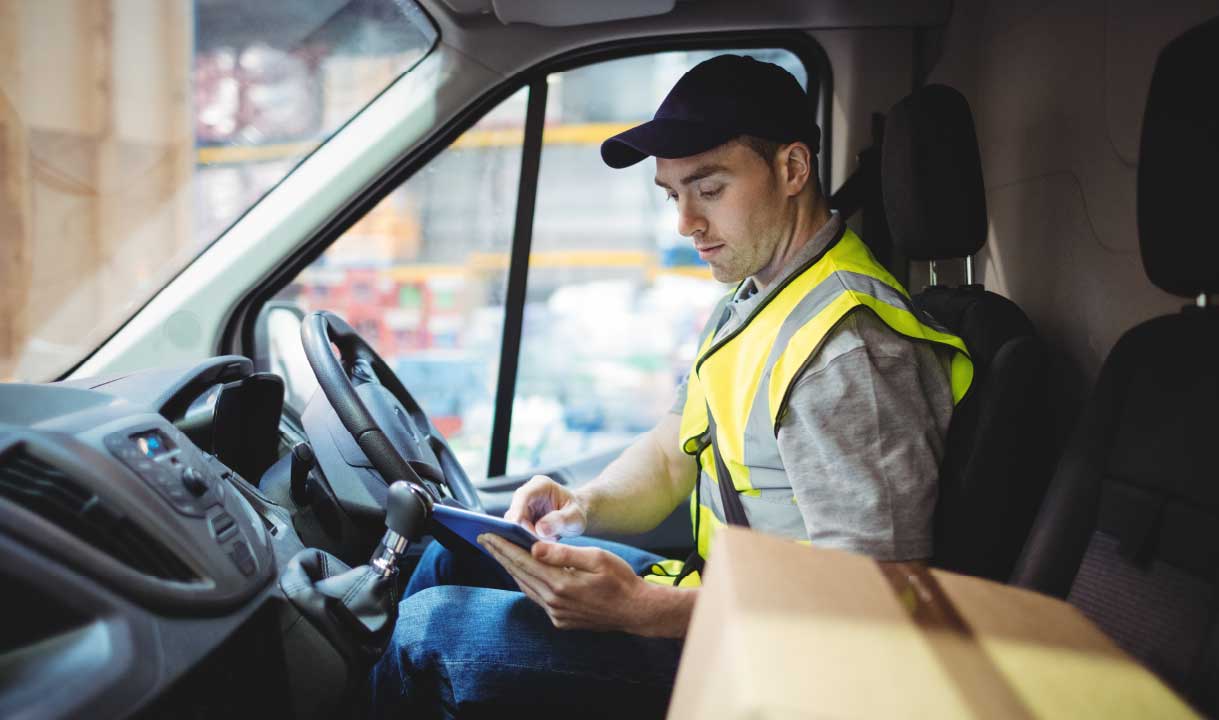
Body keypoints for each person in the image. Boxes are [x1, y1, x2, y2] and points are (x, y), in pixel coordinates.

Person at [369, 54, 971, 719]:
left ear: (792, 170)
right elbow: (670, 451)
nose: (684, 222)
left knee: (428, 633)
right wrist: (581, 504)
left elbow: (878, 597)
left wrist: (646, 610)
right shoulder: (759, 298)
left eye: (709, 189)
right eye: (671, 194)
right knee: (458, 559)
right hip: (728, 601)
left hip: (792, 670)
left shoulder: (846, 352)